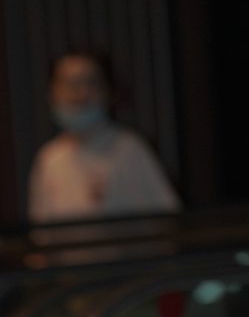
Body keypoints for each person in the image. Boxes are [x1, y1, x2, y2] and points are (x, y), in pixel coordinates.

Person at [27, 50, 181, 223]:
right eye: (69, 83)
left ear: (108, 91)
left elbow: (169, 219)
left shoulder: (131, 149)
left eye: (90, 82)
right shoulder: (49, 159)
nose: (80, 93)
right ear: (52, 93)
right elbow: (41, 230)